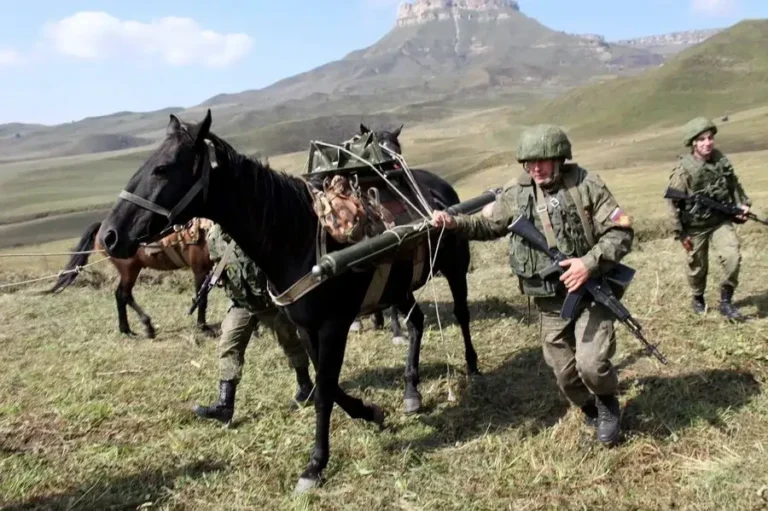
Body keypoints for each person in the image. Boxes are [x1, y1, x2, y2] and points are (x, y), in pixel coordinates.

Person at [431, 124, 634, 446]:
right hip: (549, 302)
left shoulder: (587, 184)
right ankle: (590, 409)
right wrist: (454, 223)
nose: (535, 168)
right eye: (529, 162)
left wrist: (588, 264)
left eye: (543, 160)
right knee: (566, 376)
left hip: (591, 292)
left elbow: (620, 230)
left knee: (591, 365)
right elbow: (489, 226)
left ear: (559, 158)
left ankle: (608, 406)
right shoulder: (516, 192)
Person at [193, 223, 315, 423]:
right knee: (228, 345)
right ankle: (225, 405)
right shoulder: (214, 235)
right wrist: (219, 276)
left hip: (270, 302)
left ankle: (306, 386)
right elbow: (218, 262)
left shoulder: (254, 224)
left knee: (290, 342)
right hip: (242, 303)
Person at [666, 117, 751, 321]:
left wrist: (743, 204)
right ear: (693, 142)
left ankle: (726, 302)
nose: (707, 143)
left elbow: (734, 184)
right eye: (702, 139)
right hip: (695, 227)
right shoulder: (684, 169)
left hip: (720, 220)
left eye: (710, 138)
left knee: (733, 258)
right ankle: (698, 298)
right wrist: (680, 233)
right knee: (697, 267)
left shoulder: (721, 160)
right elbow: (671, 203)